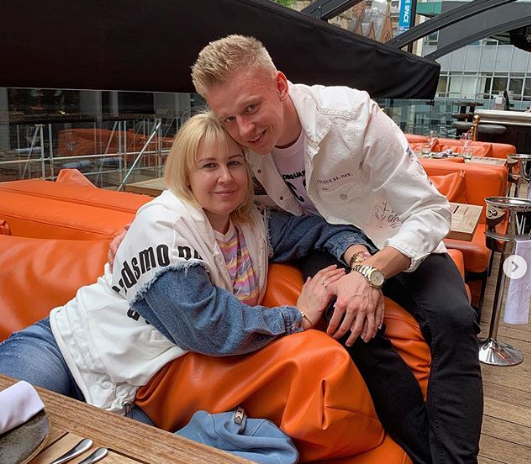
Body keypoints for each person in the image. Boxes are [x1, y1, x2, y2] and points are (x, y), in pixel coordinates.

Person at [188, 35, 517, 464]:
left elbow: (431, 212)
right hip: (326, 246)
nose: (243, 130)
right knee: (352, 330)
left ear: (280, 84)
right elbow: (198, 184)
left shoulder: (351, 117)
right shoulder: (237, 143)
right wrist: (149, 229)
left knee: (455, 321)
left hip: (399, 240)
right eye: (228, 118)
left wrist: (372, 272)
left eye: (251, 108)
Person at [0, 111, 376, 426]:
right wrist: (298, 316)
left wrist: (362, 268)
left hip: (127, 391)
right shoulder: (163, 223)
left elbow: (322, 229)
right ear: (187, 174)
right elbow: (207, 327)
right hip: (63, 347)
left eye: (234, 163)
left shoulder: (254, 225)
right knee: (9, 430)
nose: (225, 177)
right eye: (209, 165)